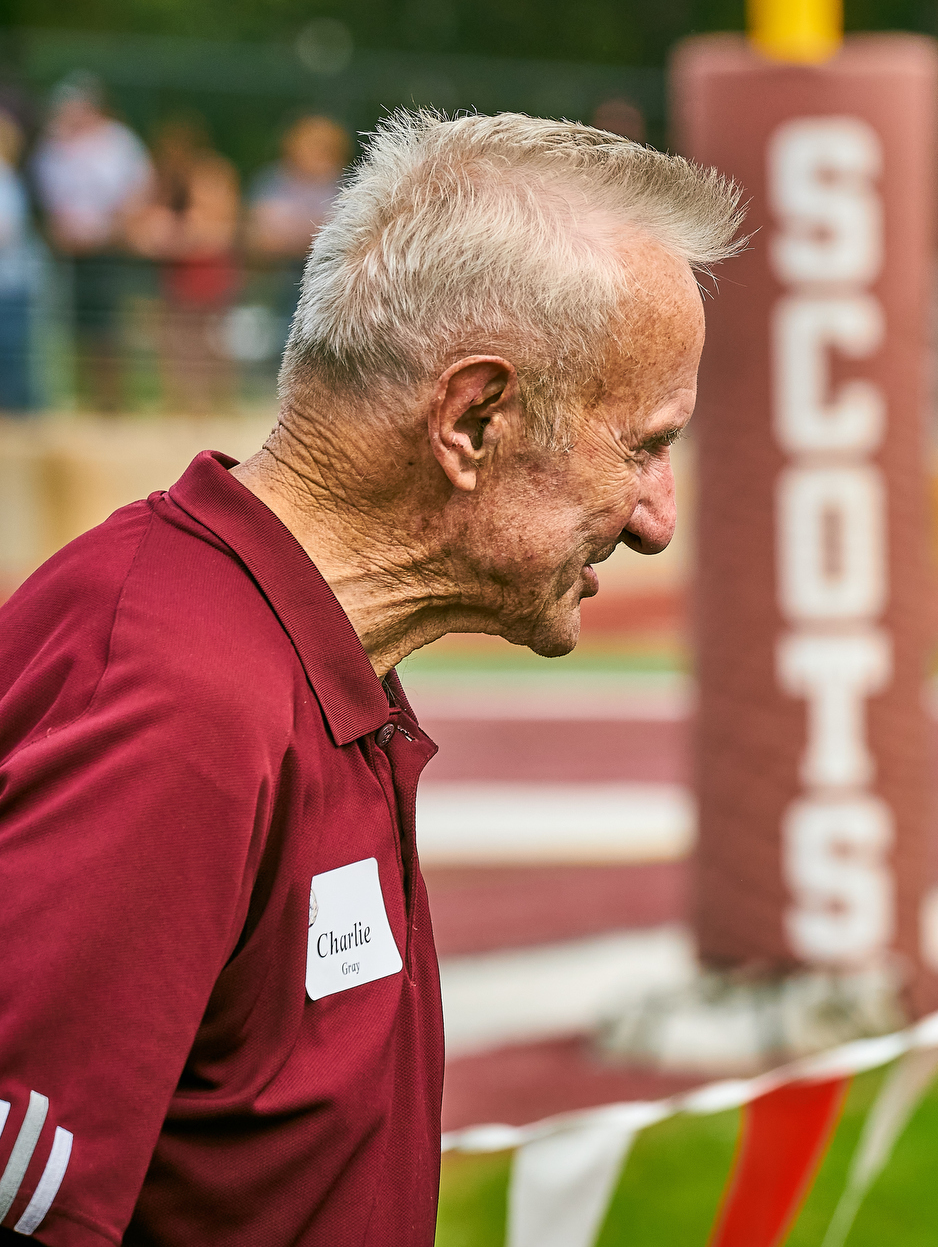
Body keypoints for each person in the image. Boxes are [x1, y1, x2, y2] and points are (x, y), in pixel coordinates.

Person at [0, 112, 742, 1245]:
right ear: (471, 418)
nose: (657, 519)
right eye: (643, 445)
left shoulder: (300, 652)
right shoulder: (181, 696)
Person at [28, 73, 150, 412]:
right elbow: (49, 200)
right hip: (70, 252)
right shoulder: (53, 148)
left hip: (108, 247)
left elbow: (136, 191)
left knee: (109, 326)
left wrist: (114, 227)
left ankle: (112, 399)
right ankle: (84, 397)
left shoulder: (118, 143)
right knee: (74, 325)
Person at [129, 116, 241, 414]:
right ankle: (183, 404)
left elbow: (220, 229)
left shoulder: (211, 174)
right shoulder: (168, 181)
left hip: (207, 271)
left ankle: (213, 405)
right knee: (176, 340)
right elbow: (140, 225)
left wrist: (176, 236)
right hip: (178, 273)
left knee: (210, 341)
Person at [247, 114, 351, 353]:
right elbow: (262, 239)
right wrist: (313, 234)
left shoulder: (346, 187)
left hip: (328, 286)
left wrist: (293, 234)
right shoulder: (272, 183)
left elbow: (349, 240)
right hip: (276, 281)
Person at [0, 112, 36, 412]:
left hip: (8, 284)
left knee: (12, 355)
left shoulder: (5, 179)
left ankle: (19, 413)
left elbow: (5, 231)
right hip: (11, 282)